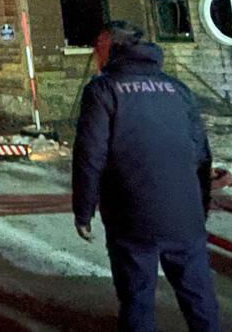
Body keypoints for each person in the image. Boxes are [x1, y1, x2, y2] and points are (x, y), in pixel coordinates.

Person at [72, 20, 219, 332]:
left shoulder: (103, 90)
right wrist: (200, 206)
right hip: (185, 216)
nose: (95, 56)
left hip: (132, 218)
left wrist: (83, 211)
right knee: (198, 297)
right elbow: (201, 155)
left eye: (98, 48)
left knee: (137, 298)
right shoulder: (178, 89)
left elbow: (90, 156)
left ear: (111, 48)